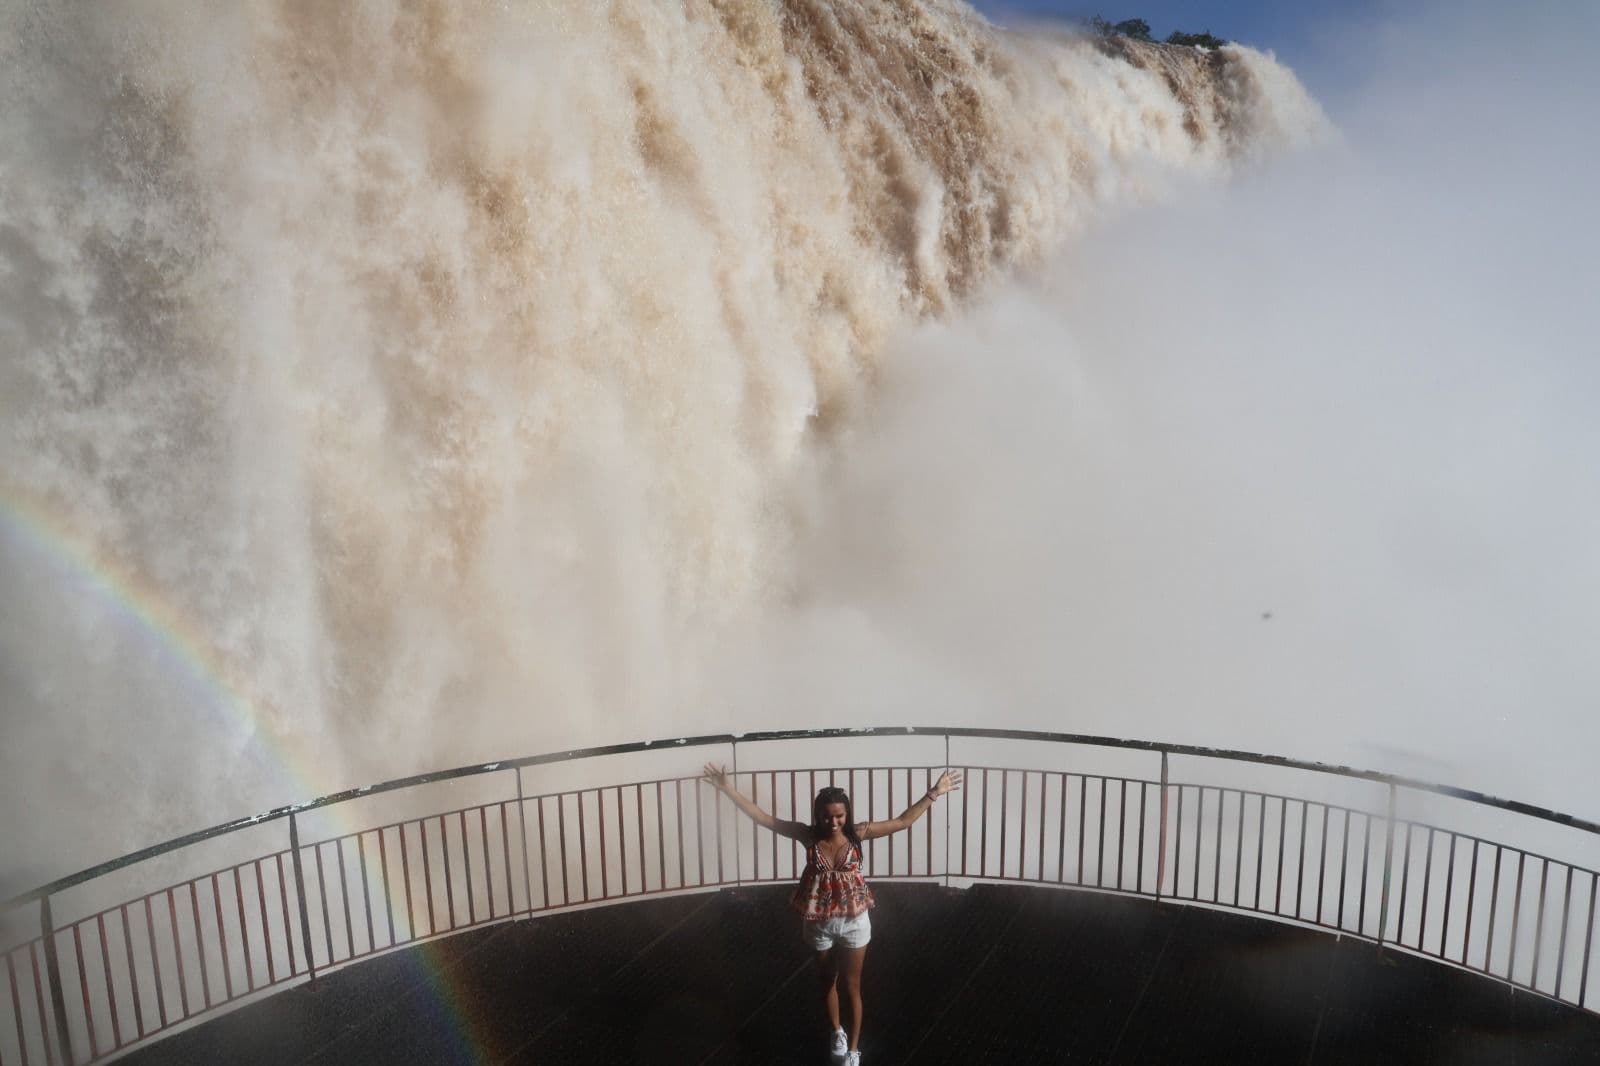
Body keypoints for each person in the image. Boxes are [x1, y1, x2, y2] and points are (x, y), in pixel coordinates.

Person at [701, 763, 962, 1065]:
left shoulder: (859, 834)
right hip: (819, 923)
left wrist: (934, 793)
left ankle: (853, 1050)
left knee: (852, 986)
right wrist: (728, 789)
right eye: (827, 816)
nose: (833, 821)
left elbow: (903, 822)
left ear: (847, 814)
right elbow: (764, 819)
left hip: (854, 922)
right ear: (818, 815)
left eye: (839, 815)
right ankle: (836, 1031)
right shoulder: (808, 836)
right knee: (827, 982)